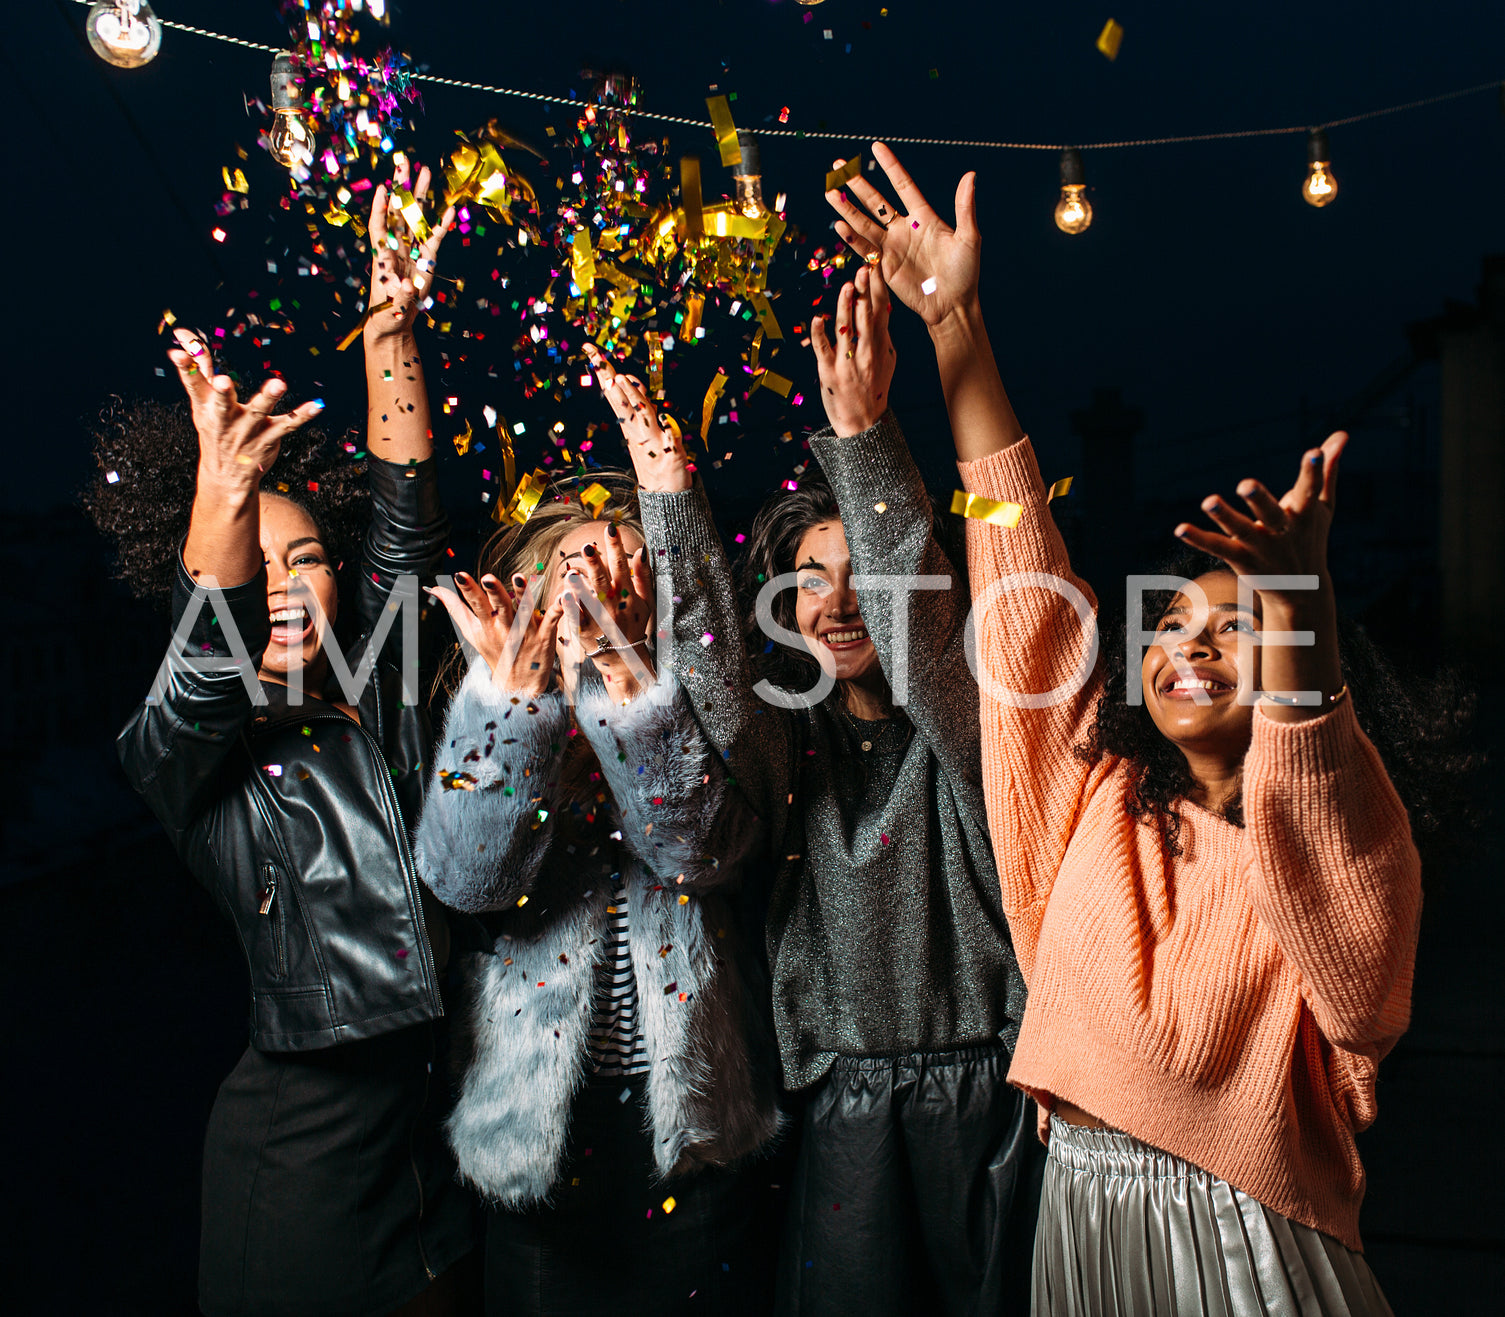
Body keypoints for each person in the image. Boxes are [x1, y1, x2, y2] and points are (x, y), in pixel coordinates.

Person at [825, 140, 1443, 1314]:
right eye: (1167, 627)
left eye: (1234, 625)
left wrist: (1302, 604)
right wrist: (956, 333)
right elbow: (1020, 605)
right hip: (1081, 1216)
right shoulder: (1089, 806)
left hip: (1247, 1237)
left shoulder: (1331, 840)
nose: (1188, 646)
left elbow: (1356, 982)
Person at [583, 262, 1038, 1317]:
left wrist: (869, 437)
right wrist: (668, 493)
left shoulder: (966, 724)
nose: (836, 607)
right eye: (804, 581)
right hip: (839, 1100)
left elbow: (919, 640)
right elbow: (716, 683)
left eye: (857, 575)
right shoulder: (788, 747)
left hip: (988, 1086)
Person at [101, 159, 478, 1316]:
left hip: (444, 1152)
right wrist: (224, 495)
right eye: (252, 563)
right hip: (303, 1169)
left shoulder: (393, 693)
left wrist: (388, 325)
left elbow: (408, 520)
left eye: (305, 558)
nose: (281, 584)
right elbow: (202, 666)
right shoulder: (184, 754)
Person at [413, 472, 783, 1317]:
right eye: (573, 570)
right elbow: (468, 879)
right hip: (541, 1145)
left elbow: (698, 856)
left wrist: (631, 689)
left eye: (622, 567)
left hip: (691, 1138)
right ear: (532, 593)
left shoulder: (694, 712)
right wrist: (510, 708)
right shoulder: (493, 714)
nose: (597, 588)